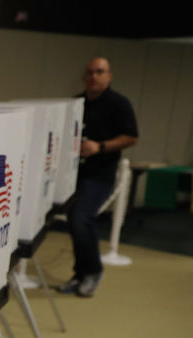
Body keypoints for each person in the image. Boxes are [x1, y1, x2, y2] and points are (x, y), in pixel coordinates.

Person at [60, 57, 138, 297]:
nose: (94, 76)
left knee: (82, 217)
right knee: (75, 218)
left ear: (108, 76)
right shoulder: (76, 103)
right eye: (90, 72)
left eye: (100, 72)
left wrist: (100, 147)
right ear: (85, 77)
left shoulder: (119, 103)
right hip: (74, 174)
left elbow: (131, 137)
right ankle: (80, 272)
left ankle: (93, 271)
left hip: (100, 174)